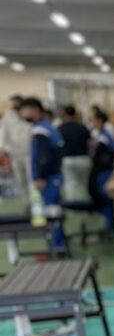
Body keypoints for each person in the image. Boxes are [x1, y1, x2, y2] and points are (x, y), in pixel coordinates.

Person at [19, 97, 65, 249]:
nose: (22, 114)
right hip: (54, 177)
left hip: (49, 179)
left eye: (24, 110)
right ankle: (58, 245)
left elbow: (45, 156)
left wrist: (40, 177)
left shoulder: (41, 130)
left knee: (51, 213)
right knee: (55, 212)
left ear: (35, 110)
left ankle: (56, 248)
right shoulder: (48, 127)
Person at [89, 108, 114, 230]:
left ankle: (110, 223)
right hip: (105, 170)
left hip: (104, 171)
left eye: (94, 120)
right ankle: (110, 221)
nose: (92, 123)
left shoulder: (103, 138)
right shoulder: (105, 134)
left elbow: (98, 156)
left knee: (105, 195)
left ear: (100, 121)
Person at [0, 95, 31, 195]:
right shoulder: (8, 116)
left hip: (29, 152)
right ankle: (27, 204)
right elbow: (3, 132)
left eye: (16, 103)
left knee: (31, 177)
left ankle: (36, 201)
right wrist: (2, 148)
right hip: (15, 153)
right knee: (20, 179)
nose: (14, 105)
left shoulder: (28, 114)